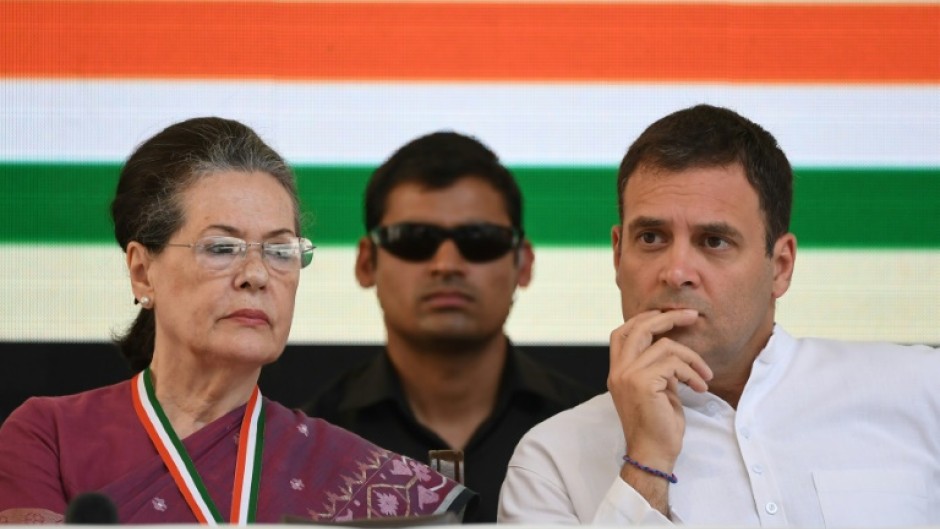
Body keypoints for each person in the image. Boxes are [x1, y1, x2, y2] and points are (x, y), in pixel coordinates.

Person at [0, 117, 474, 524]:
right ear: (143, 272)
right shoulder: (51, 436)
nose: (256, 275)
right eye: (222, 247)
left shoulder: (361, 477)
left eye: (279, 250)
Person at [498, 104, 940, 526]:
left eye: (714, 241)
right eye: (651, 237)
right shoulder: (550, 461)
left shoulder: (921, 391)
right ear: (617, 256)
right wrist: (646, 462)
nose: (676, 271)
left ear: (780, 266)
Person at [302, 131, 594, 523]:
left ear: (523, 263)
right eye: (414, 239)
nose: (447, 264)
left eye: (480, 240)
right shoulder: (307, 448)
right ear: (367, 262)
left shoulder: (593, 434)